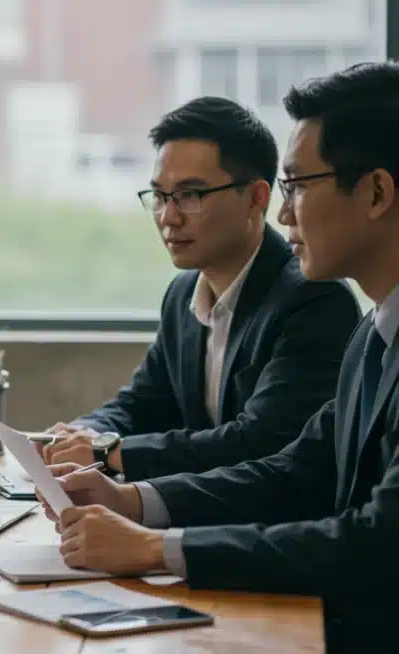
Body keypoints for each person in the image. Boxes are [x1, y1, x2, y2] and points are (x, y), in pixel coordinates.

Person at [41, 62, 399, 653]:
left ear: (377, 193)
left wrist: (155, 548)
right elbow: (294, 469)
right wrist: (129, 500)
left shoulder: (321, 306)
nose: (285, 213)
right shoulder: (374, 334)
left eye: (298, 185)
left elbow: (376, 545)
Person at [36, 96, 360, 481]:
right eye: (160, 196)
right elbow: (142, 403)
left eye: (190, 196)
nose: (168, 217)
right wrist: (81, 432)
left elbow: (260, 441)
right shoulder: (182, 294)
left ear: (256, 198)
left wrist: (110, 452)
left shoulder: (314, 299)